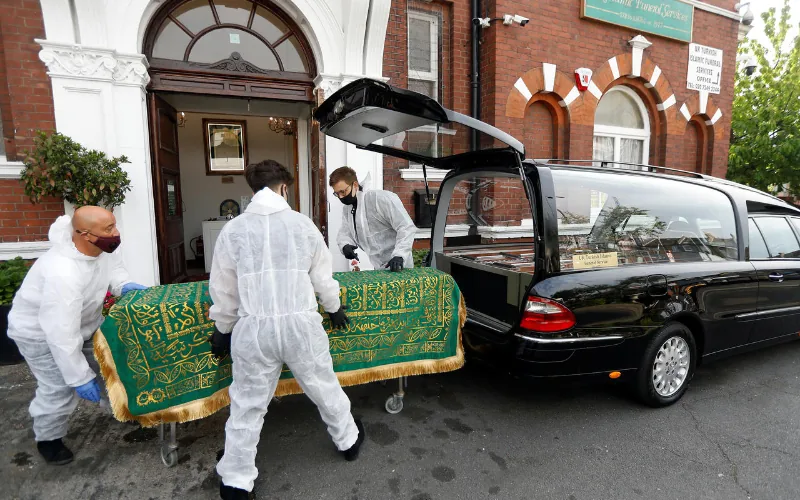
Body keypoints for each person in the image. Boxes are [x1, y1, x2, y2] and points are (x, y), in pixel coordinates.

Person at [209, 159, 365, 500]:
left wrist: (222, 327)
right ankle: (348, 441)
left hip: (254, 329)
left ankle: (235, 479)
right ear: (284, 187)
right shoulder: (301, 225)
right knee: (323, 386)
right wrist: (334, 309)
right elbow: (323, 278)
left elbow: (224, 288)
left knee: (247, 404)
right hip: (301, 327)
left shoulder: (233, 230)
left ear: (254, 189)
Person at [8, 206, 147, 465]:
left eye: (115, 226)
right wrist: (79, 377)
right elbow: (61, 335)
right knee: (58, 387)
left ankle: (123, 412)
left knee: (112, 369)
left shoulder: (99, 249)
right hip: (38, 334)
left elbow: (114, 269)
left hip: (84, 324)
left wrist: (123, 285)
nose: (116, 233)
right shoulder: (62, 272)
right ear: (84, 234)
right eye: (109, 229)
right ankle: (48, 439)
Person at [329, 166, 416, 272]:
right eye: (337, 194)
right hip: (378, 268)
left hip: (400, 266)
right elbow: (345, 232)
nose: (341, 197)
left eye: (343, 191)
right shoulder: (347, 209)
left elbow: (406, 227)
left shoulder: (380, 199)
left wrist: (400, 255)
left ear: (355, 185)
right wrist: (345, 245)